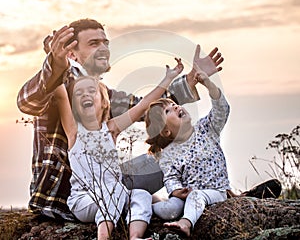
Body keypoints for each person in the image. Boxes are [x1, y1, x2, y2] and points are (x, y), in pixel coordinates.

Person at [17, 18, 224, 220]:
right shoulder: (59, 85)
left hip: (106, 184)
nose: (104, 48)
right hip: (65, 197)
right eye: (94, 43)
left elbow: (147, 108)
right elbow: (27, 102)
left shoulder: (104, 95)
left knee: (167, 156)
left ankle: (206, 195)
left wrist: (190, 80)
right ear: (72, 54)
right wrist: (55, 63)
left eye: (105, 42)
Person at [54, 57, 183, 239]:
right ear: (73, 106)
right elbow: (59, 94)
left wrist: (168, 78)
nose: (85, 95)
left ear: (104, 102)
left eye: (92, 91)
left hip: (117, 195)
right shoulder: (74, 132)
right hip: (84, 201)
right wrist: (55, 59)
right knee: (115, 190)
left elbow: (144, 104)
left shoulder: (111, 129)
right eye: (78, 93)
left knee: (141, 195)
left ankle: (135, 236)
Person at [144, 55, 230, 237]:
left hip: (214, 192)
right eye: (168, 111)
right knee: (170, 208)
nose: (176, 107)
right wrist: (176, 190)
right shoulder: (167, 154)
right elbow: (170, 177)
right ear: (166, 132)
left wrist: (208, 84)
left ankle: (185, 224)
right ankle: (145, 208)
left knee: (196, 196)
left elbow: (222, 109)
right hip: (186, 197)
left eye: (174, 105)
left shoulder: (206, 129)